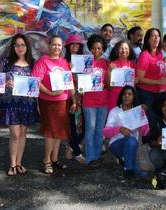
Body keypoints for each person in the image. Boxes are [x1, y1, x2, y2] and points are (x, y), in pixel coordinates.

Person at [32, 35, 77, 174]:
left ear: (62, 47)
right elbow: (35, 81)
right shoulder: (42, 61)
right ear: (49, 45)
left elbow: (69, 83)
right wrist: (50, 93)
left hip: (63, 102)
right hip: (48, 102)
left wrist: (74, 100)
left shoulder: (64, 62)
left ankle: (55, 159)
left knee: (59, 133)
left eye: (59, 45)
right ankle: (46, 161)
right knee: (51, 133)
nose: (56, 47)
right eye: (54, 44)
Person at [0, 33, 39, 176]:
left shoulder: (33, 63)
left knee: (22, 133)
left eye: (23, 45)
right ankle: (12, 164)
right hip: (10, 103)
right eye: (17, 45)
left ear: (27, 47)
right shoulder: (5, 62)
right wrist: (4, 83)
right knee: (15, 134)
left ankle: (19, 162)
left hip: (27, 103)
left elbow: (37, 83)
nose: (20, 48)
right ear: (13, 47)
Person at [103, 86, 149, 178]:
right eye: (124, 94)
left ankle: (130, 166)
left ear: (133, 97)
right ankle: (127, 169)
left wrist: (143, 117)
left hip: (133, 146)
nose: (126, 96)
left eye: (129, 94)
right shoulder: (115, 111)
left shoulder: (137, 111)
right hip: (116, 145)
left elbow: (145, 132)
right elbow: (105, 132)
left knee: (143, 174)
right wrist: (119, 129)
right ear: (121, 96)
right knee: (130, 140)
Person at [82, 34, 109, 167]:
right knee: (90, 129)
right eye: (94, 48)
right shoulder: (85, 62)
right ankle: (90, 158)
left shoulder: (106, 63)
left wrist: (106, 84)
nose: (96, 51)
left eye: (99, 48)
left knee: (99, 130)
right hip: (89, 101)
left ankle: (97, 156)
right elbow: (78, 80)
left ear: (103, 49)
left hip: (103, 101)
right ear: (90, 49)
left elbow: (109, 82)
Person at [136, 28, 166, 122]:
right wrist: (158, 81)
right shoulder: (145, 55)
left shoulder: (159, 54)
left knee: (156, 121)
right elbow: (140, 78)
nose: (156, 38)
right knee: (149, 122)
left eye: (158, 36)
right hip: (146, 94)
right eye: (153, 36)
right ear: (148, 39)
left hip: (158, 93)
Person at [64, 34, 87, 164]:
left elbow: (88, 77)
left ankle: (71, 145)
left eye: (77, 44)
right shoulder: (63, 61)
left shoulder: (84, 60)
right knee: (73, 125)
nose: (75, 46)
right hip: (69, 97)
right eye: (72, 44)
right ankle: (77, 153)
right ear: (68, 46)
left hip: (83, 97)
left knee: (83, 126)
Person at [107, 39, 137, 112]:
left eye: (126, 48)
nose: (124, 51)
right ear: (116, 51)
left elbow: (135, 86)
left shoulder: (133, 65)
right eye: (121, 48)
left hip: (129, 100)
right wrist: (109, 71)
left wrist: (136, 81)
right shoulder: (112, 64)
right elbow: (109, 87)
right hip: (115, 98)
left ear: (129, 51)